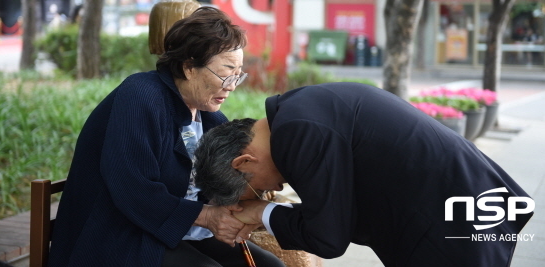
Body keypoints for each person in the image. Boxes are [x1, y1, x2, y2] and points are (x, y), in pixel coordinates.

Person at [195, 82, 534, 267]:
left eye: (254, 192)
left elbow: (328, 238)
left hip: (452, 223)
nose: (274, 189)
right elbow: (334, 214)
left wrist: (260, 212)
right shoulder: (295, 112)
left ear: (243, 163)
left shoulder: (300, 133)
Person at [48, 7, 285, 267]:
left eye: (237, 75)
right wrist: (206, 216)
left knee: (269, 266)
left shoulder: (210, 117)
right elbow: (131, 187)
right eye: (225, 72)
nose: (231, 86)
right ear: (189, 68)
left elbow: (223, 181)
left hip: (176, 230)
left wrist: (238, 211)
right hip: (120, 234)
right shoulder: (140, 97)